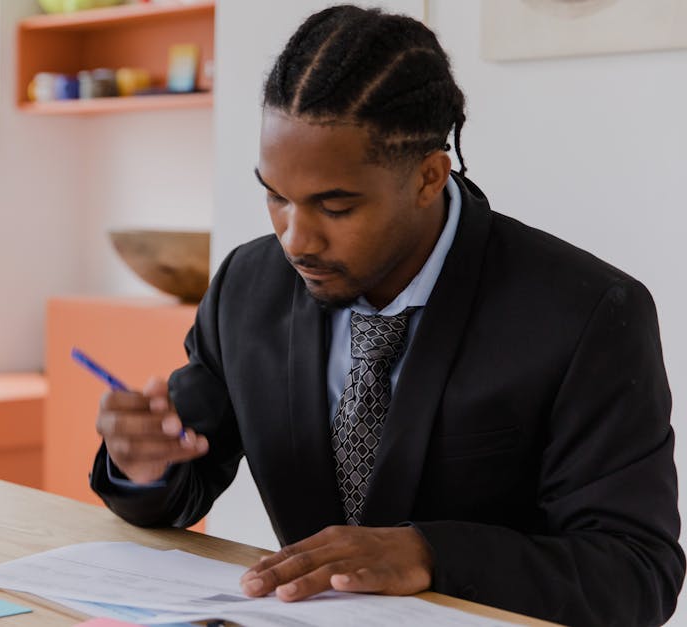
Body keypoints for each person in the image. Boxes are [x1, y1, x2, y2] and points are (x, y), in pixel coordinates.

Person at [88, 5, 684, 626]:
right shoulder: (248, 284)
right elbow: (181, 490)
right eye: (275, 196)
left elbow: (636, 573)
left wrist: (432, 553)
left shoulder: (586, 313)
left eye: (336, 206)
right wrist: (144, 465)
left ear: (429, 176)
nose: (295, 239)